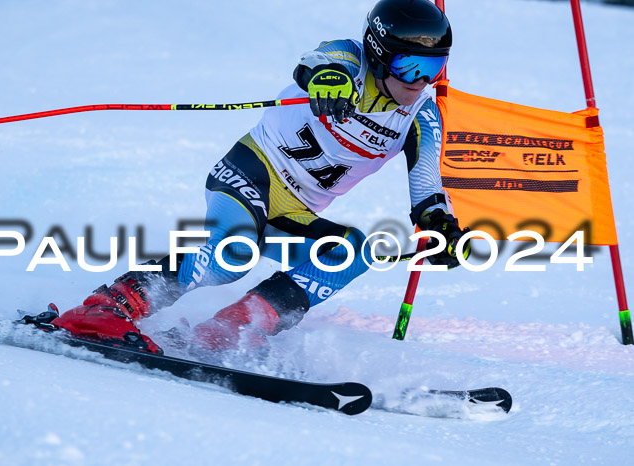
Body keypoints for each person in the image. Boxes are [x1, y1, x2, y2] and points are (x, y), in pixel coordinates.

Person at [50, 0, 469, 355]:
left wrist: (441, 226)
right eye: (410, 67)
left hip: (293, 211)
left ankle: (231, 329)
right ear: (378, 52)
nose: (420, 82)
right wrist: (329, 81)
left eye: (433, 68)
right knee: (230, 257)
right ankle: (106, 307)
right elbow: (317, 63)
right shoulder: (349, 59)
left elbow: (427, 188)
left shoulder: (422, 116)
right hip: (251, 173)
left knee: (350, 251)